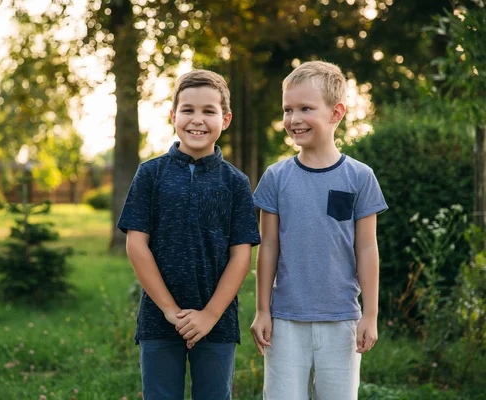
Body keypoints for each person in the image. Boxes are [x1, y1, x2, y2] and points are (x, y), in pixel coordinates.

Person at [118, 69, 260, 400]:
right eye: (188, 110)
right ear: (173, 116)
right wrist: (169, 310)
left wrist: (210, 315)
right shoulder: (150, 174)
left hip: (217, 323)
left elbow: (242, 255)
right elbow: (136, 245)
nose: (197, 119)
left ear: (225, 119)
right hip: (159, 318)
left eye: (209, 111)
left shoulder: (236, 182)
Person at [250, 60, 388, 400]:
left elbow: (367, 248)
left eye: (305, 108)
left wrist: (370, 314)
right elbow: (267, 246)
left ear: (336, 113)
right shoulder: (276, 178)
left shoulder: (359, 177)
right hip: (284, 321)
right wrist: (262, 310)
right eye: (288, 109)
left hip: (342, 320)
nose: (294, 119)